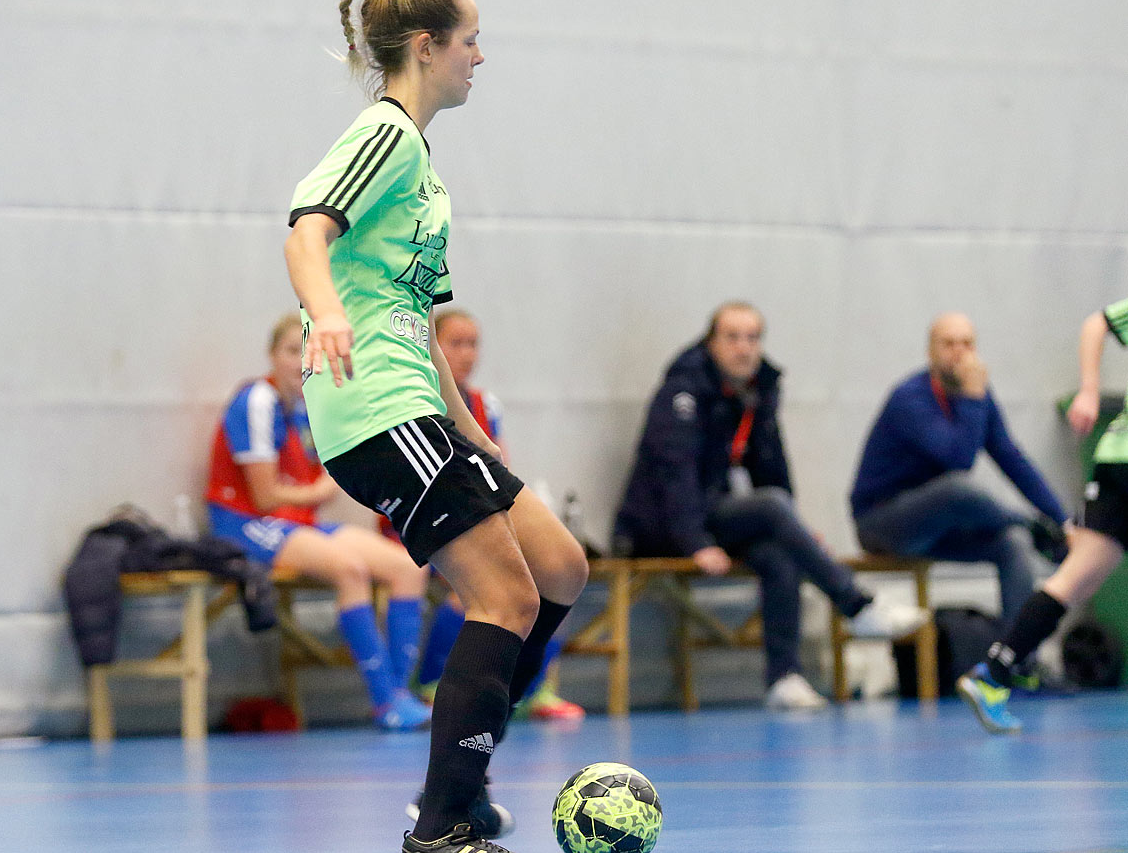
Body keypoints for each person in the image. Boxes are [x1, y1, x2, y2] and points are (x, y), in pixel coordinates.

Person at [285, 0, 585, 853]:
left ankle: (461, 779)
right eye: (470, 41)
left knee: (561, 567)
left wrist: (473, 431)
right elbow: (306, 232)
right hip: (372, 410)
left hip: (419, 402)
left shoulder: (422, 163)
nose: (480, 57)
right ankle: (441, 830)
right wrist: (327, 313)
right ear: (423, 46)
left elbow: (415, 319)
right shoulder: (381, 134)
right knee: (504, 596)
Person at [611, 302, 928, 711]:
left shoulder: (756, 392)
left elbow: (771, 467)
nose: (743, 348)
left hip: (707, 514)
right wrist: (694, 542)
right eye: (732, 337)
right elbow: (675, 473)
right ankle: (857, 605)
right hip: (658, 526)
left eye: (752, 338)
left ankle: (784, 677)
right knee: (772, 507)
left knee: (780, 554)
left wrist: (794, 529)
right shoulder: (683, 392)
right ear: (712, 343)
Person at [205, 313, 432, 731]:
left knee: (408, 566)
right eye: (290, 351)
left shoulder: (311, 405)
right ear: (272, 356)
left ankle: (399, 694)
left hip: (294, 522)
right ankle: (384, 701)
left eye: (305, 352)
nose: (298, 363)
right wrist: (321, 491)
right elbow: (265, 495)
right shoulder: (257, 400)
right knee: (349, 570)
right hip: (245, 523)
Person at [957, 303, 1128, 734]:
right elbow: (1098, 323)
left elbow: (1097, 323)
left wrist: (1089, 391)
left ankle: (994, 674)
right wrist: (1088, 390)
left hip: (1115, 459)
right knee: (1078, 576)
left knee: (1078, 578)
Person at [411, 308, 584, 722]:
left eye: (473, 344)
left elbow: (498, 467)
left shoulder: (486, 403)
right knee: (485, 587)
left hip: (478, 507)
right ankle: (432, 682)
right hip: (431, 515)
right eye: (456, 343)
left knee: (559, 571)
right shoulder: (416, 397)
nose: (467, 353)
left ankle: (530, 686)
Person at [850, 313, 1070, 630]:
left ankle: (1015, 661)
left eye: (967, 344)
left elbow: (1012, 460)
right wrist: (973, 398)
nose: (959, 352)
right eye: (948, 344)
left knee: (1014, 542)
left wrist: (1061, 518)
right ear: (930, 352)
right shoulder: (911, 398)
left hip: (938, 527)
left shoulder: (975, 396)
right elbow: (959, 460)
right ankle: (1041, 532)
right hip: (882, 522)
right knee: (958, 488)